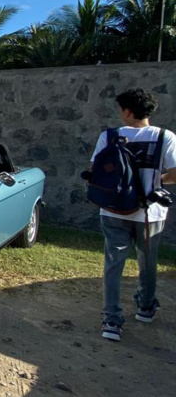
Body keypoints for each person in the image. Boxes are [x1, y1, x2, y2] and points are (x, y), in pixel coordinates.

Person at [90, 88, 176, 341]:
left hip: (113, 210)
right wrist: (159, 180)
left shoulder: (110, 136)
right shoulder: (165, 137)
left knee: (113, 265)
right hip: (150, 213)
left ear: (127, 111)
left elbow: (94, 170)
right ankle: (146, 307)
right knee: (147, 262)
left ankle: (111, 321)